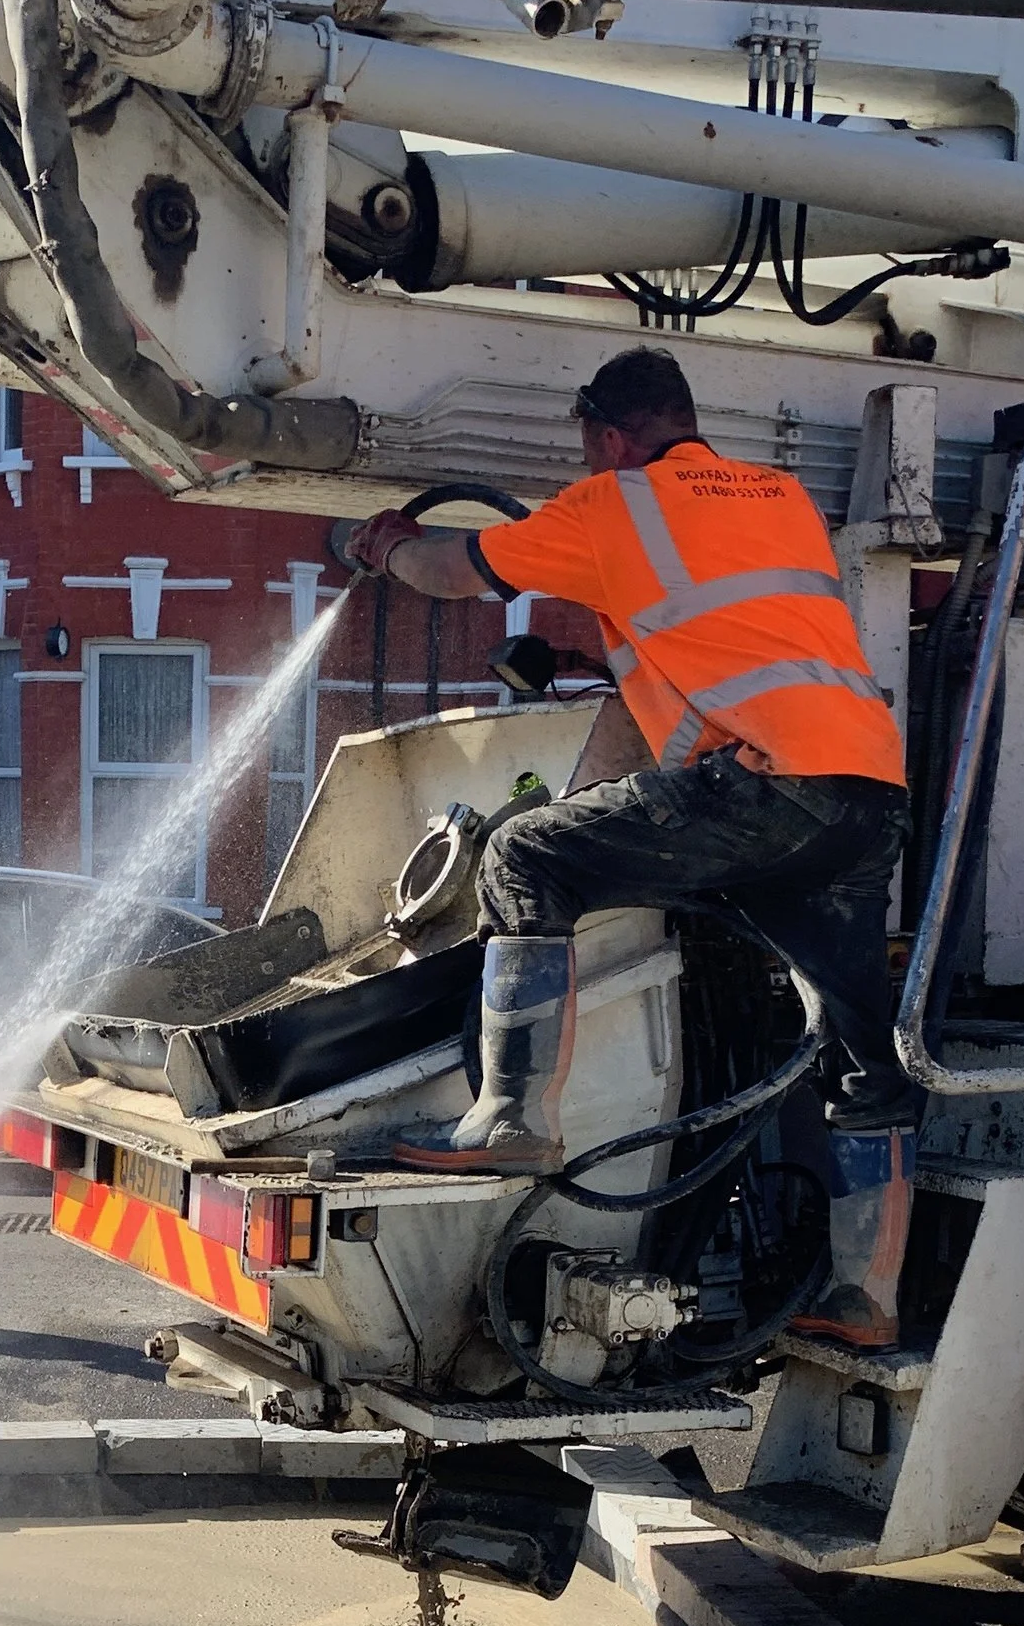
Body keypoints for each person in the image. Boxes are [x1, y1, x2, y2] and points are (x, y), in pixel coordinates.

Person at [332, 344, 918, 1350]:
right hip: (866, 784)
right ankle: (869, 1301)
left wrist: (384, 544)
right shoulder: (779, 497)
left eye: (590, 449)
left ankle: (512, 1121)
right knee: (867, 1052)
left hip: (762, 787)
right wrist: (589, 655)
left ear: (605, 437)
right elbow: (725, 631)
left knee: (526, 860)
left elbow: (448, 570)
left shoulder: (609, 506)